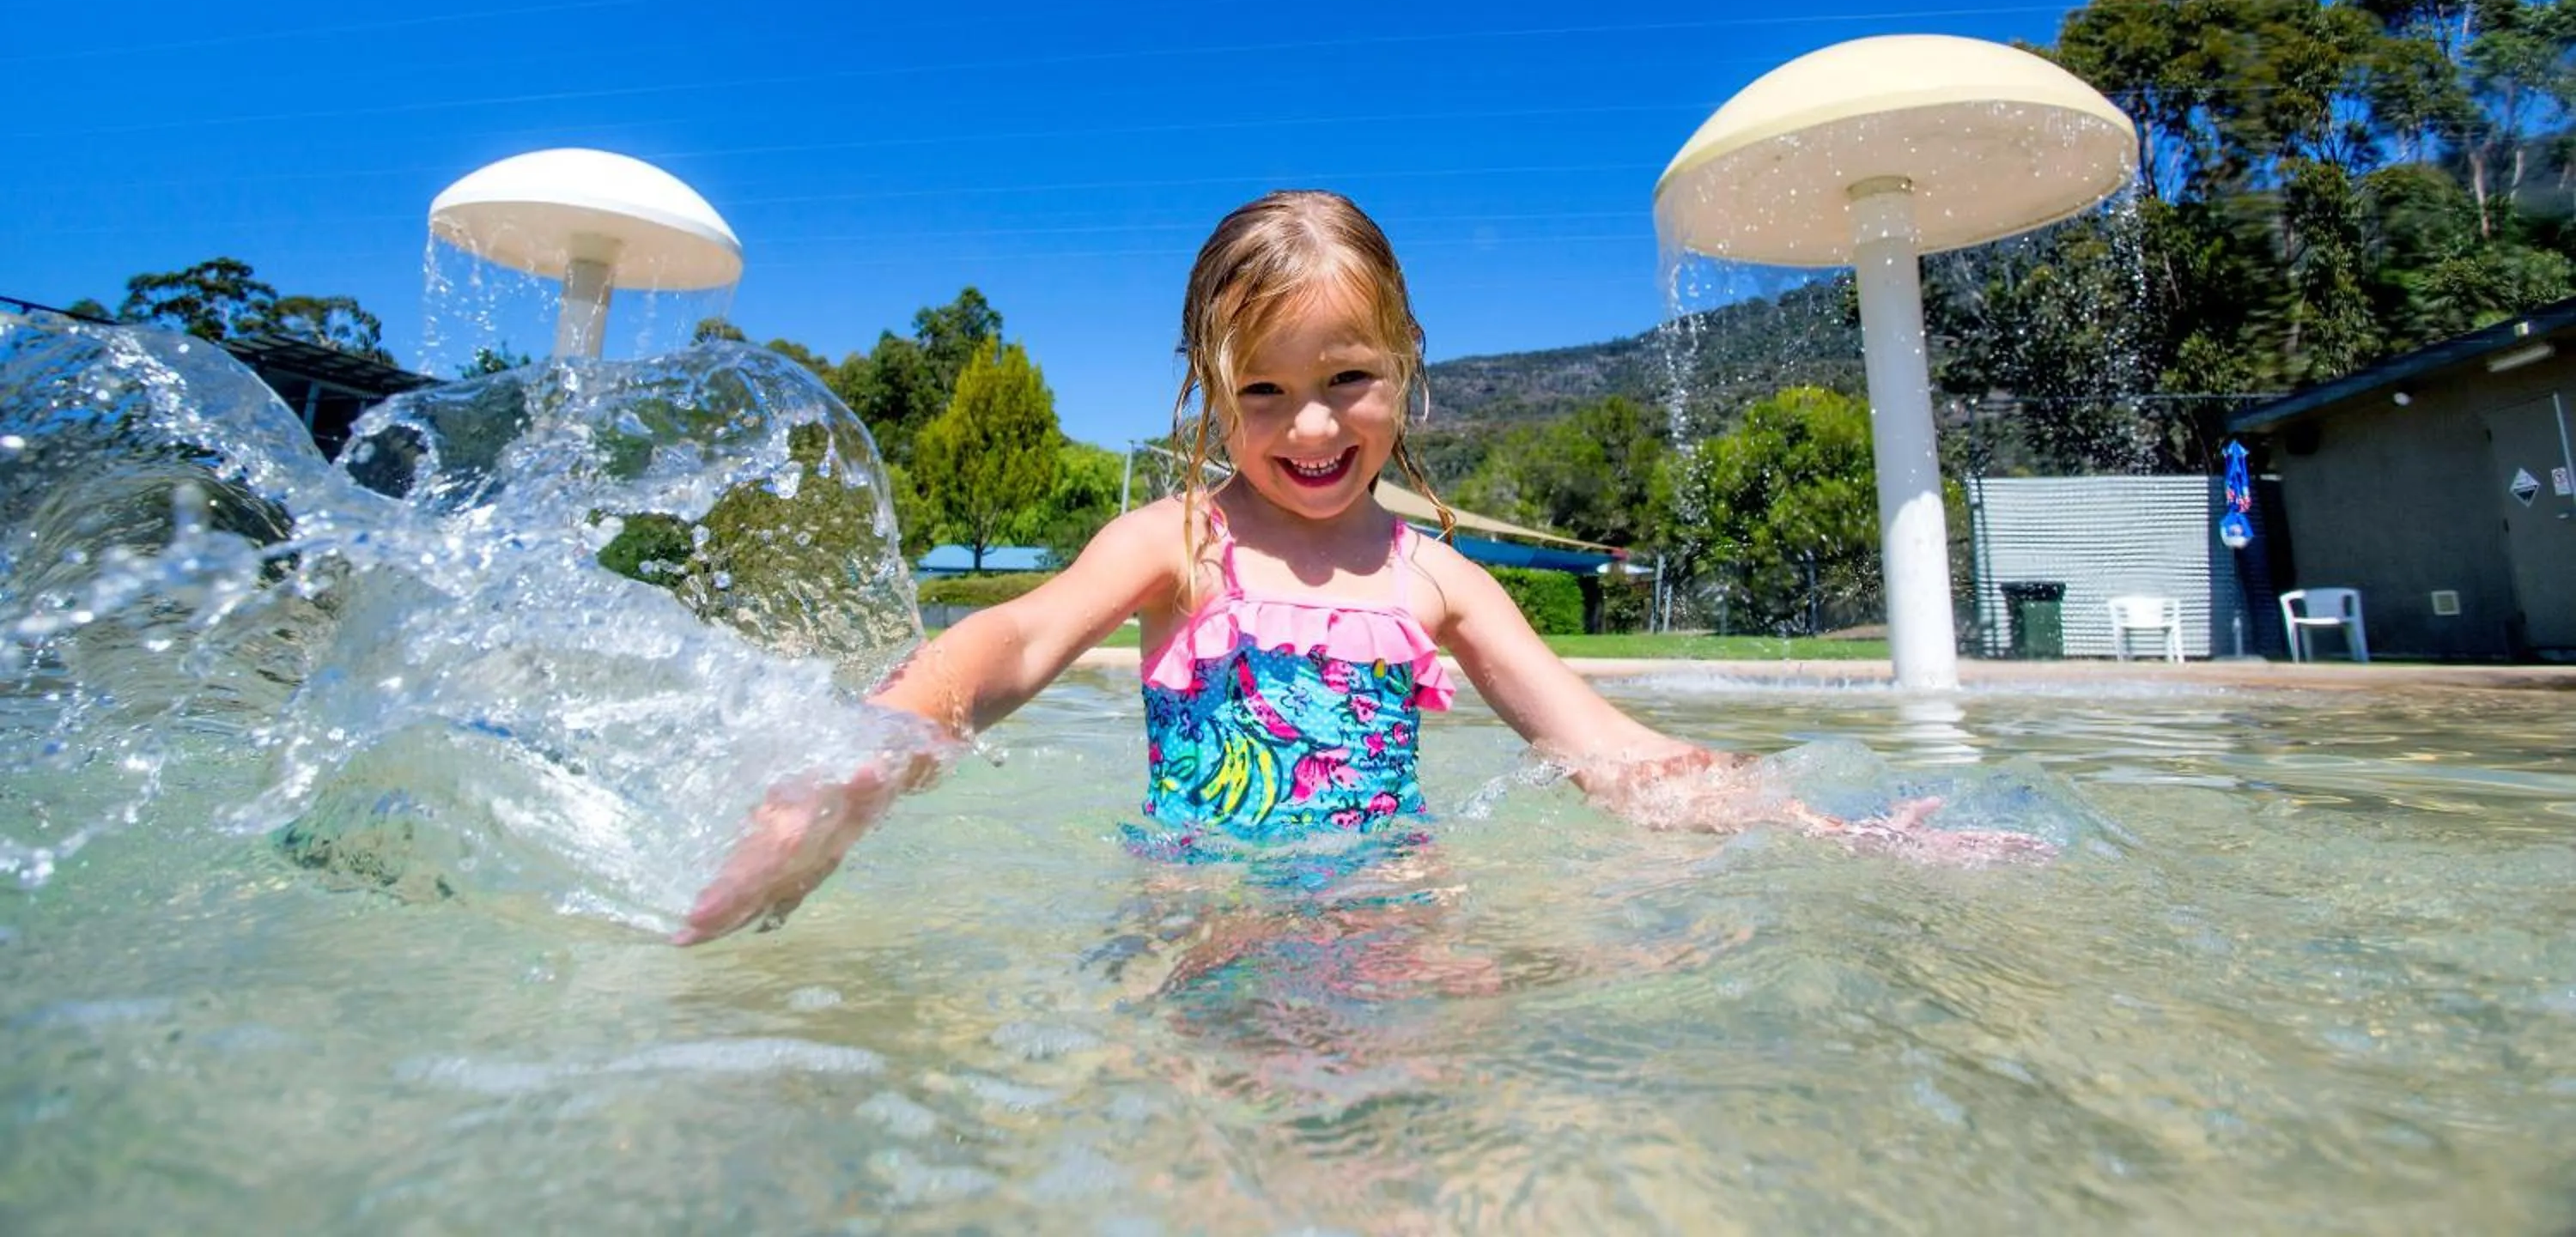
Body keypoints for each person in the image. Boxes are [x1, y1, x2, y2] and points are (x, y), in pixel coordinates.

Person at [676, 191, 2050, 945]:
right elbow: (1009, 648)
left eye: (1347, 379)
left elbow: (1614, 755)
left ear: (1406, 367)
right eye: (1262, 392)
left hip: (1398, 910)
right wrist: (865, 768)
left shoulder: (1439, 581)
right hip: (1196, 911)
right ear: (1208, 394)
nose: (1312, 425)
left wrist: (1826, 830)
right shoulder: (1177, 545)